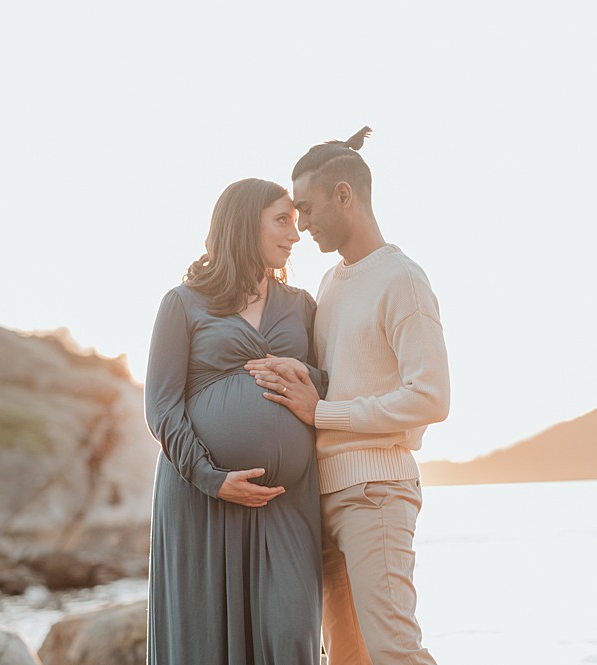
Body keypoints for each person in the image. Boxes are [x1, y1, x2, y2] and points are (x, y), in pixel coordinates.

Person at [246, 128, 451, 665]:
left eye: (309, 208)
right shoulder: (331, 285)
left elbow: (431, 398)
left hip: (377, 492)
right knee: (347, 659)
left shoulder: (402, 279)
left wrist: (323, 410)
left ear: (345, 195)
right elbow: (336, 381)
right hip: (324, 493)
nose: (302, 224)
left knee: (394, 652)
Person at [144, 177, 328, 665]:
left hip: (286, 501)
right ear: (245, 224)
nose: (295, 233)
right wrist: (212, 478)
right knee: (205, 644)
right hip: (202, 497)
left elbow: (330, 385)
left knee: (293, 633)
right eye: (282, 220)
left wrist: (303, 372)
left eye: (295, 221)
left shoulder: (302, 306)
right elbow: (161, 405)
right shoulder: (183, 303)